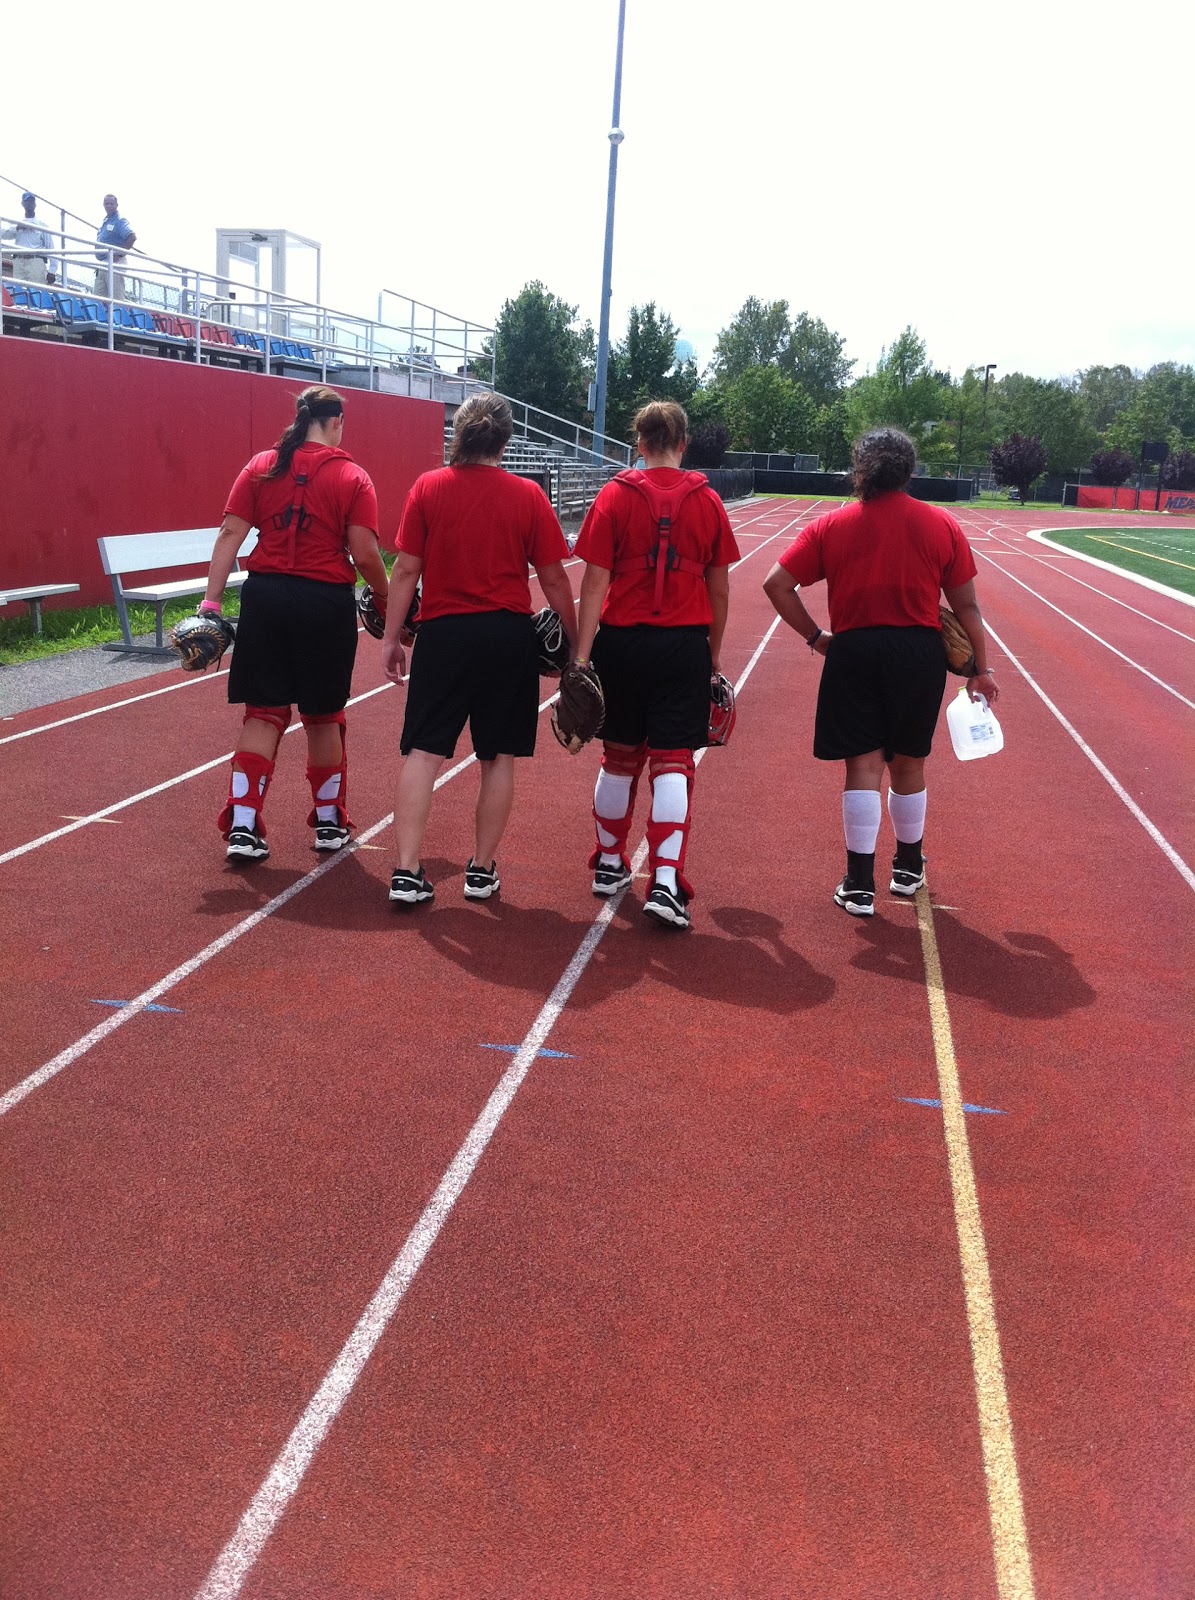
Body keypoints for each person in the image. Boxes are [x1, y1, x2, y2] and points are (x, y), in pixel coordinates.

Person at [762, 426, 999, 917]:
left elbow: (776, 584)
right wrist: (981, 669)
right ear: (909, 470)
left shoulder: (831, 525)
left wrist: (815, 637)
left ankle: (859, 884)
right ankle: (908, 869)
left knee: (862, 766)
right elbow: (968, 607)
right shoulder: (942, 525)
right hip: (919, 655)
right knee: (909, 762)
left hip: (854, 652)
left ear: (860, 469)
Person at [381, 391, 577, 906]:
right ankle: (481, 870)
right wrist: (577, 644)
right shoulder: (528, 495)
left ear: (459, 434)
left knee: (423, 752)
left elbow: (405, 570)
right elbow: (555, 578)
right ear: (505, 440)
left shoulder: (428, 487)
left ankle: (406, 870)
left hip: (443, 636)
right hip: (506, 638)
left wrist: (391, 638)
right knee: (498, 756)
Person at [200, 385, 388, 863]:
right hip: (324, 602)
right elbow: (365, 553)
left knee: (263, 712)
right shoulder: (353, 476)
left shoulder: (262, 465)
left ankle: (243, 824)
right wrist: (387, 597)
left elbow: (229, 533)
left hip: (265, 597)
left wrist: (211, 603)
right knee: (323, 715)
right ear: (336, 422)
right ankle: (328, 822)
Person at [572, 400, 740, 931]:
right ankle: (665, 880)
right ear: (683, 444)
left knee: (618, 757)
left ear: (639, 444)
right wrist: (713, 654)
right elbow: (719, 588)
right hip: (682, 646)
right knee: (673, 762)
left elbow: (594, 582)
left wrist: (582, 656)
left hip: (620, 644)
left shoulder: (614, 495)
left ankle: (609, 862)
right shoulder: (708, 501)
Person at [2, 193, 56, 284]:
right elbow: (3, 235)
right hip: (19, 262)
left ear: (35, 205)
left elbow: (51, 248)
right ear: (22, 204)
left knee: (36, 291)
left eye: (31, 202)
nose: (29, 204)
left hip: (35, 262)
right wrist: (17, 228)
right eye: (27, 202)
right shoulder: (17, 223)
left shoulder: (42, 225)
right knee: (19, 290)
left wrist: (52, 270)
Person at [94, 193, 136, 302]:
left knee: (116, 299)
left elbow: (132, 237)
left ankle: (118, 312)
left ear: (116, 205)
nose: (109, 206)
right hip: (103, 264)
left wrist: (120, 254)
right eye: (106, 203)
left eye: (111, 204)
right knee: (97, 298)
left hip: (115, 264)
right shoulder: (105, 221)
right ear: (103, 205)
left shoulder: (120, 220)